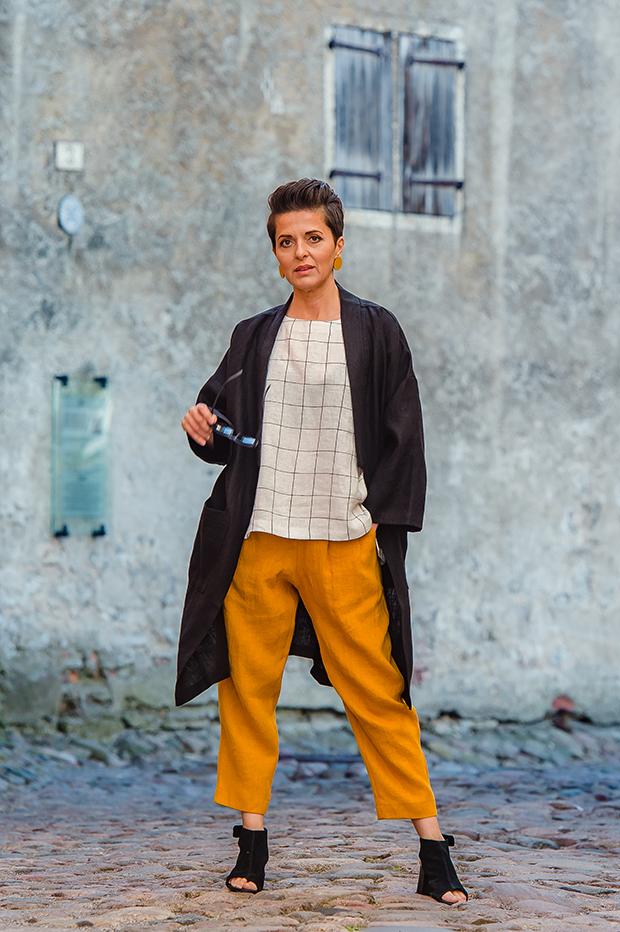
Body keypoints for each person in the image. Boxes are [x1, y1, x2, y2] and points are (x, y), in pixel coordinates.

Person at [178, 179, 467, 905]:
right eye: (286, 241)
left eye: (313, 238)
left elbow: (405, 438)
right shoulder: (254, 335)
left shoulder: (377, 331)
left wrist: (378, 525)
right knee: (248, 692)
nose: (300, 252)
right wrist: (204, 429)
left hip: (342, 539)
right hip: (260, 541)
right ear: (275, 254)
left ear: (339, 246)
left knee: (379, 692)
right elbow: (225, 429)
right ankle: (251, 840)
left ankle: (433, 849)